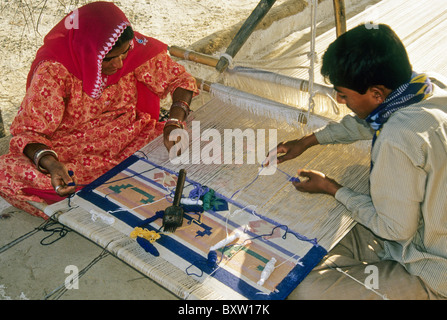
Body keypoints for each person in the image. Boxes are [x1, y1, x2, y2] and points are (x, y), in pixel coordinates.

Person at [275, 24, 447, 299]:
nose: (339, 100)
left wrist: (333, 188)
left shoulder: (397, 138)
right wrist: (307, 141)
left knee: (301, 290)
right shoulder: (428, 87)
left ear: (377, 94)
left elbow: (396, 229)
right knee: (304, 251)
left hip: (432, 268)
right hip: (423, 227)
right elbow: (366, 123)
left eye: (343, 94)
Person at [0, 2, 198, 219]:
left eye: (124, 54)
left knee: (194, 148)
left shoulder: (132, 47)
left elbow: (180, 80)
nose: (120, 64)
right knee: (7, 172)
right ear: (88, 52)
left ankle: (100, 196)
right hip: (74, 151)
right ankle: (120, 189)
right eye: (109, 59)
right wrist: (52, 164)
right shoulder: (54, 70)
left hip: (131, 138)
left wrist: (174, 123)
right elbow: (29, 132)